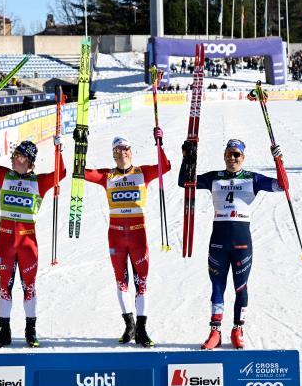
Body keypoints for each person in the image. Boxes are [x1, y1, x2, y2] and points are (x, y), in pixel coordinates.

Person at [178, 139, 285, 350]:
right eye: (229, 154)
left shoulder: (253, 179)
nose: (232, 158)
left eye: (236, 154)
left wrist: (278, 160)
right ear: (224, 155)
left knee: (241, 288)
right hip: (218, 242)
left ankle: (238, 329)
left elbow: (282, 186)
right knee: (217, 287)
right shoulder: (214, 177)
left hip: (242, 243)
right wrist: (186, 157)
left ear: (243, 157)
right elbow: (184, 182)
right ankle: (215, 332)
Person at [0, 136, 66, 349]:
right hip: (5, 242)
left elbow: (61, 173)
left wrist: (58, 150)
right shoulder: (4, 176)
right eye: (14, 155)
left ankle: (30, 331)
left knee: (29, 288)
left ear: (29, 161)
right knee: (4, 288)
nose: (14, 159)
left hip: (28, 244)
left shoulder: (39, 182)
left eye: (18, 156)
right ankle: (4, 331)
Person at [84, 128, 171, 347]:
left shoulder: (142, 173)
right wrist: (80, 146)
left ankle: (141, 330)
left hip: (137, 234)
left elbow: (166, 167)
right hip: (115, 236)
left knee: (141, 283)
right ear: (113, 154)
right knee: (121, 282)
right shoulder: (107, 176)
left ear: (131, 152)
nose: (123, 152)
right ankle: (129, 325)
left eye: (126, 149)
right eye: (118, 149)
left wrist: (159, 144)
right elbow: (81, 173)